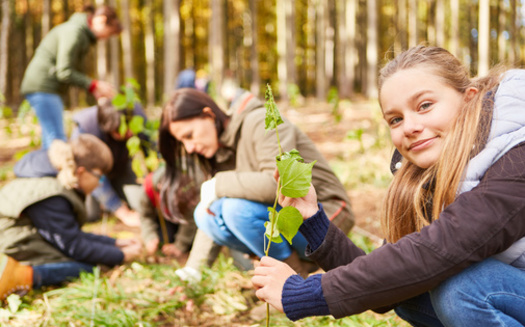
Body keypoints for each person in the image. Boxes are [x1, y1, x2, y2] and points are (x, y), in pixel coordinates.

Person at [251, 45, 525, 326]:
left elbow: (442, 248)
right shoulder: (424, 178)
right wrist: (313, 218)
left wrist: (305, 293)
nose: (410, 127)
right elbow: (386, 290)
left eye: (425, 105)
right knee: (406, 289)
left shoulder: (517, 153)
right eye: (396, 119)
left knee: (465, 287)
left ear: (469, 99)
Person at [159, 88, 355, 277]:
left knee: (235, 210)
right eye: (182, 142)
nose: (190, 148)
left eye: (189, 135)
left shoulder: (260, 121)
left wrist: (218, 184)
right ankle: (289, 276)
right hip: (289, 221)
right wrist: (194, 273)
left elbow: (280, 186)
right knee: (205, 214)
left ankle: (292, 283)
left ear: (209, 115)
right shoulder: (222, 150)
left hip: (325, 216)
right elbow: (213, 208)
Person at [0, 135, 141, 301]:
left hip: (20, 236)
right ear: (81, 171)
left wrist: (114, 243)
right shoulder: (51, 194)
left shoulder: (52, 177)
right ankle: (22, 276)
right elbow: (73, 246)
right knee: (87, 267)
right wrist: (121, 256)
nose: (100, 184)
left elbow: (70, 234)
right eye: (100, 177)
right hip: (11, 243)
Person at [20, 5, 122, 149]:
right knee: (56, 140)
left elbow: (72, 72)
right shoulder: (74, 33)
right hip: (43, 87)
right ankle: (53, 171)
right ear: (101, 20)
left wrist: (94, 89)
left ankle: (50, 170)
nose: (106, 38)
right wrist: (94, 85)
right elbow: (64, 71)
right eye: (109, 32)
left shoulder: (81, 35)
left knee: (52, 138)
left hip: (48, 89)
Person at [68, 98, 150, 226]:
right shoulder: (86, 128)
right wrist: (122, 212)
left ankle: (113, 197)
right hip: (92, 176)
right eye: (119, 131)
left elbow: (150, 147)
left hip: (121, 168)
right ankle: (106, 203)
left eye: (129, 128)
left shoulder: (135, 114)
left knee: (140, 202)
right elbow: (90, 173)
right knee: (90, 214)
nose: (128, 133)